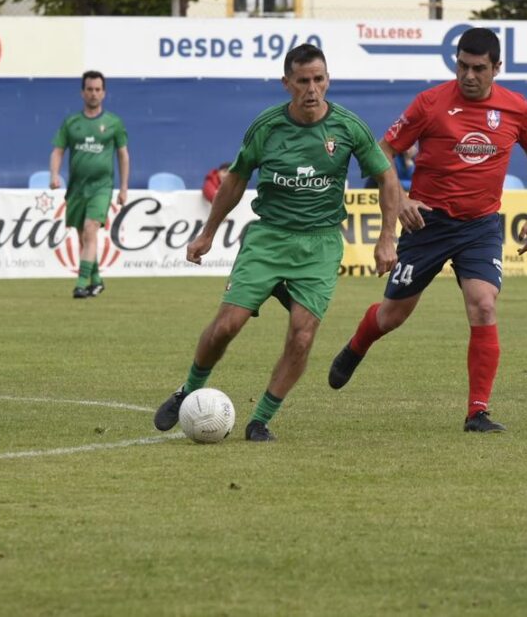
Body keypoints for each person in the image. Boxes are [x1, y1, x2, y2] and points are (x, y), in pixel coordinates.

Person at [154, 44, 400, 442]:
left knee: (302, 335)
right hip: (268, 238)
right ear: (287, 83)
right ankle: (189, 389)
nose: (312, 89)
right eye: (302, 81)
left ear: (328, 80)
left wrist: (386, 237)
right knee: (225, 327)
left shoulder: (349, 127)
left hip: (319, 245)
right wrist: (208, 233)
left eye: (319, 79)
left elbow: (387, 178)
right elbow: (235, 180)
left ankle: (260, 420)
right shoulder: (267, 127)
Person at [327, 27, 527, 433]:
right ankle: (357, 345)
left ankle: (477, 412)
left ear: (497, 68)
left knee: (483, 303)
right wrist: (404, 200)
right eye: (462, 66)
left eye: (478, 68)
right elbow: (383, 152)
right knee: (393, 316)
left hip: (481, 226)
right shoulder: (430, 104)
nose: (468, 75)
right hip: (427, 222)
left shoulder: (517, 109)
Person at [49, 70, 130, 299]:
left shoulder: (113, 123)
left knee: (91, 228)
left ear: (104, 93)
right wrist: (54, 174)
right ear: (82, 92)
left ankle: (81, 283)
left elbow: (123, 155)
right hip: (76, 188)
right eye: (89, 89)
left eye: (97, 89)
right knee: (82, 234)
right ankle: (96, 279)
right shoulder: (71, 123)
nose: (94, 94)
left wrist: (123, 188)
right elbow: (58, 150)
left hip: (101, 187)